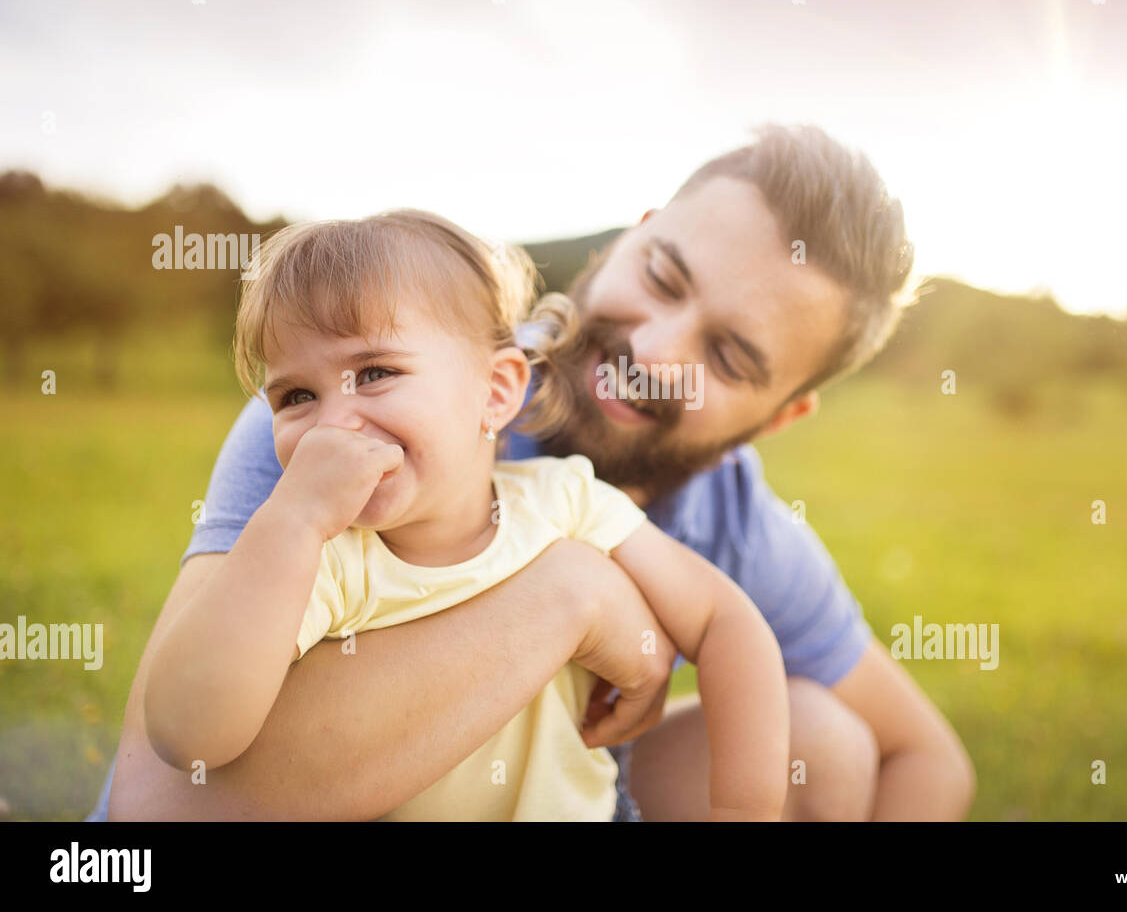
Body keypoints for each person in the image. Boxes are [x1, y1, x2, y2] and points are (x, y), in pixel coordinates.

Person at [100, 123, 976, 822]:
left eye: (730, 355)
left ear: (780, 417)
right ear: (631, 239)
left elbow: (928, 759)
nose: (651, 350)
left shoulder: (733, 518)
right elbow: (157, 804)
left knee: (827, 745)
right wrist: (573, 600)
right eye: (663, 277)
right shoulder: (347, 427)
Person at [139, 209, 790, 821]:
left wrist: (742, 807)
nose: (332, 425)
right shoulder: (323, 562)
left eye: (375, 372)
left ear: (497, 390)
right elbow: (189, 735)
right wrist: (290, 522)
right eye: (296, 395)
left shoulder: (565, 501)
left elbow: (724, 620)